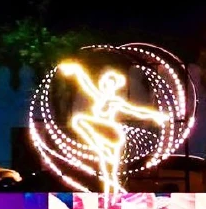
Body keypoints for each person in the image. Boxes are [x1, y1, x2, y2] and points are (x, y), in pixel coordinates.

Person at [57, 61, 168, 195]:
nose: (108, 86)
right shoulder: (98, 97)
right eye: (106, 83)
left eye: (111, 84)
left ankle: (114, 189)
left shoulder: (115, 102)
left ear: (115, 87)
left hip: (113, 134)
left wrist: (155, 116)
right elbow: (85, 82)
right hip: (104, 133)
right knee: (108, 170)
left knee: (79, 121)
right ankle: (112, 195)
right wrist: (76, 70)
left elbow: (135, 111)